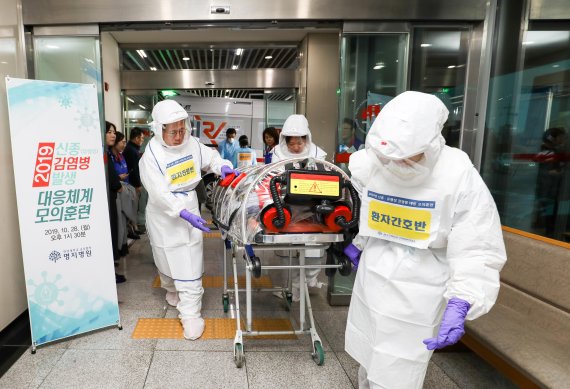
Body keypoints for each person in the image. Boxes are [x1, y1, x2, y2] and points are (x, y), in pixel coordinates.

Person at [343, 91, 507, 389]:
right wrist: (360, 243)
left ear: (431, 143)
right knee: (369, 351)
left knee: (399, 369)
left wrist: (463, 298)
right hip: (374, 274)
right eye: (390, 156)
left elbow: (476, 245)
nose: (397, 163)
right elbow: (371, 209)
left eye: (408, 155)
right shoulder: (374, 163)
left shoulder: (457, 174)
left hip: (420, 288)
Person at [139, 99, 238, 340]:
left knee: (190, 257)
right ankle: (171, 288)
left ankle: (191, 313)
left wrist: (222, 166)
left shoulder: (192, 143)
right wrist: (181, 212)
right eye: (173, 132)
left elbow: (211, 157)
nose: (179, 136)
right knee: (164, 256)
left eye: (182, 130)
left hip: (190, 202)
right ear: (159, 130)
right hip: (163, 213)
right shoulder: (150, 157)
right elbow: (159, 193)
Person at [271, 114, 327, 301]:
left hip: (313, 210)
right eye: (291, 143)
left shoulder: (319, 155)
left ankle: (302, 285)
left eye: (299, 143)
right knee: (288, 252)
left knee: (312, 250)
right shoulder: (277, 154)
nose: (295, 147)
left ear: (306, 140)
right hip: (285, 209)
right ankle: (290, 287)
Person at [104, 121, 126, 284]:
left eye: (114, 132)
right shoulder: (103, 154)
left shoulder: (106, 153)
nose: (113, 135)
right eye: (109, 132)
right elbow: (113, 182)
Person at [123, 127, 146, 233]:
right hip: (132, 183)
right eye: (141, 138)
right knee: (134, 206)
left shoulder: (133, 149)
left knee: (135, 206)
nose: (142, 140)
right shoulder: (131, 150)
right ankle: (135, 228)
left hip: (133, 182)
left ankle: (135, 227)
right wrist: (137, 184)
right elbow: (134, 169)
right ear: (136, 138)